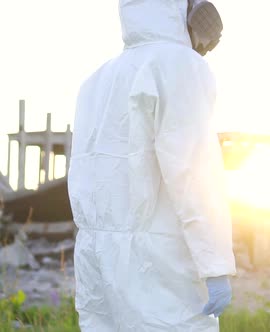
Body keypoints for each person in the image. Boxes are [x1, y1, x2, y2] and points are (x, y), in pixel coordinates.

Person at [68, 0, 235, 330]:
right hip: (160, 262)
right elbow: (194, 173)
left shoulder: (94, 81)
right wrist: (215, 264)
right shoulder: (179, 65)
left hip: (97, 259)